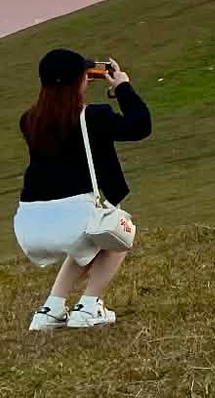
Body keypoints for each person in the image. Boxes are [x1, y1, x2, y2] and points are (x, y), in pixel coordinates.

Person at [12, 48, 152, 331]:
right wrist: (122, 86)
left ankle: (50, 309)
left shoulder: (29, 120)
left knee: (85, 240)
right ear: (79, 81)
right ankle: (88, 306)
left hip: (30, 220)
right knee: (117, 231)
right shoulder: (93, 117)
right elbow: (140, 125)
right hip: (73, 215)